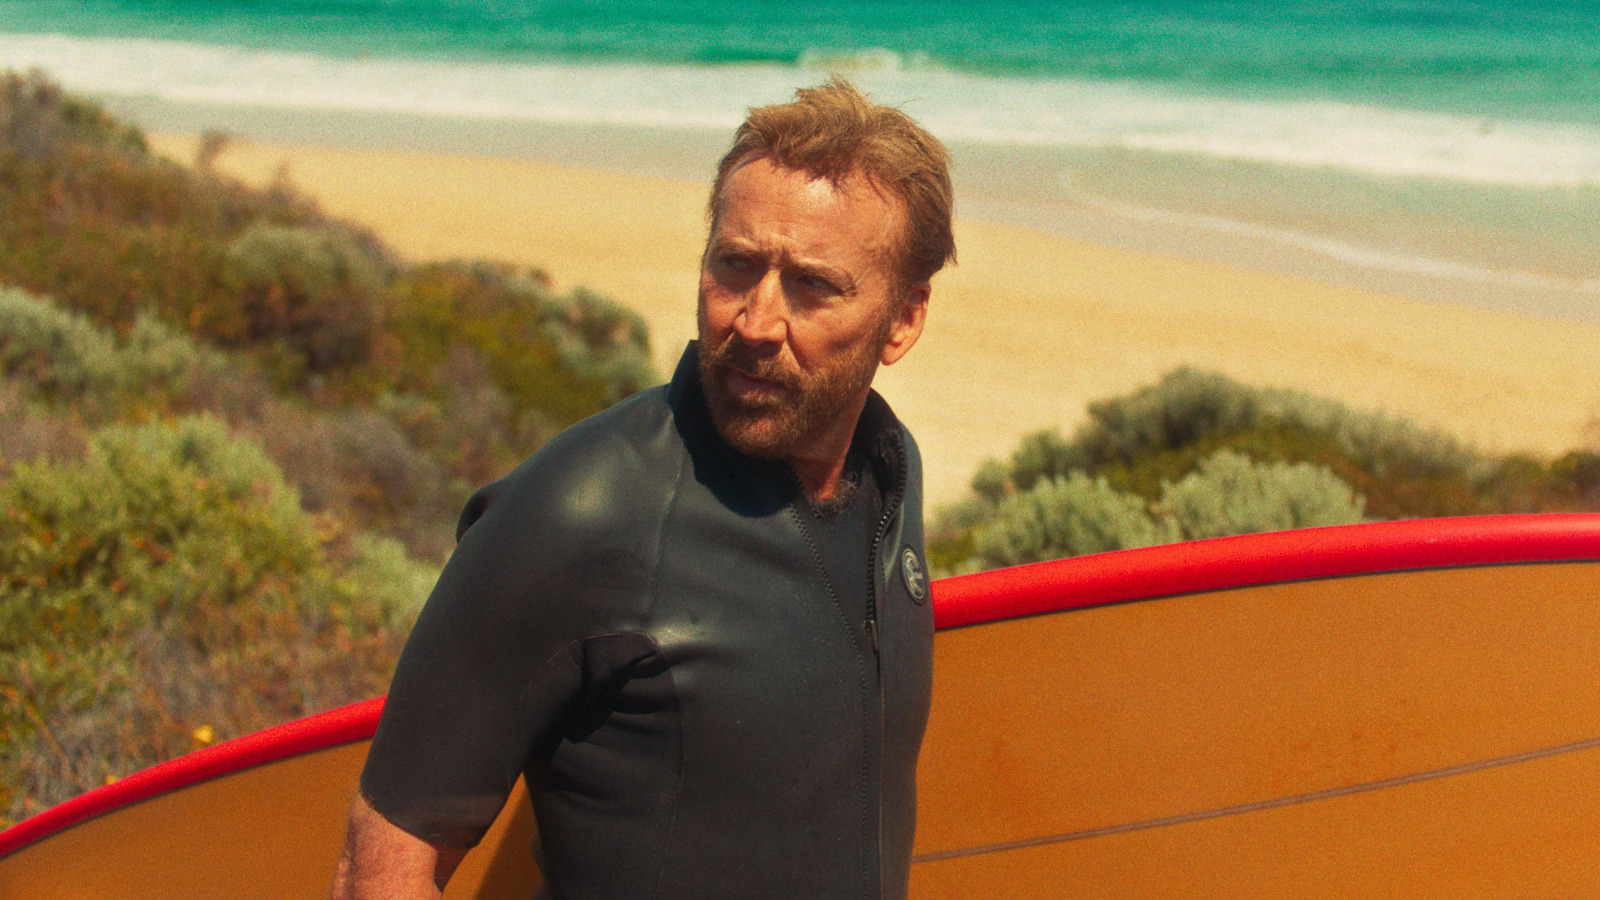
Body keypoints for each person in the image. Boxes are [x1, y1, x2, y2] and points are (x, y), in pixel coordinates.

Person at [330, 76, 955, 900]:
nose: (756, 322)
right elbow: (385, 856)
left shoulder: (890, 471)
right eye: (735, 266)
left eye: (813, 285)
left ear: (903, 319)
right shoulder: (582, 508)